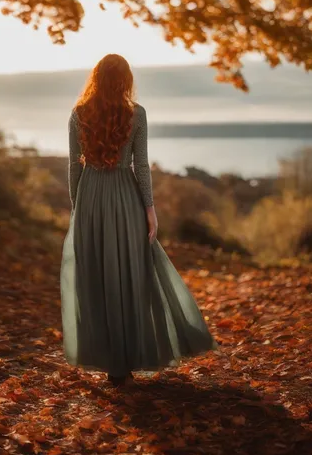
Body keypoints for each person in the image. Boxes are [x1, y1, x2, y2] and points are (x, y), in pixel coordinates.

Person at [60, 54, 220, 387]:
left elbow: (75, 167)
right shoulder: (137, 114)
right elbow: (141, 167)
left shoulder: (79, 114)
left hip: (90, 196)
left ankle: (110, 363)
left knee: (98, 278)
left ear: (96, 78)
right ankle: (128, 359)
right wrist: (150, 209)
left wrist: (79, 208)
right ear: (125, 80)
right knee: (130, 274)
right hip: (125, 196)